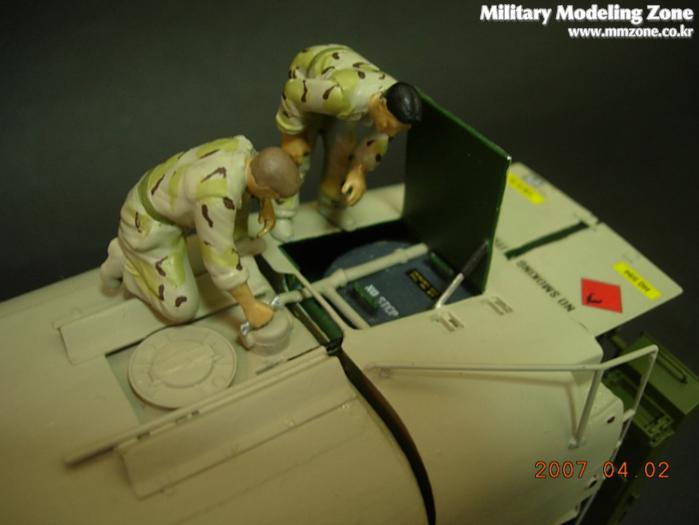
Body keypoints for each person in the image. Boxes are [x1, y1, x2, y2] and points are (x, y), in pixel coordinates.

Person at [100, 136, 300, 329]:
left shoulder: (243, 147)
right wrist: (251, 306)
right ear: (267, 190)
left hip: (162, 193)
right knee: (181, 308)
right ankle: (126, 263)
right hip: (148, 225)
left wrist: (266, 204)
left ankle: (238, 241)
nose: (275, 200)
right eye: (275, 196)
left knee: (241, 195)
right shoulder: (217, 199)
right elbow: (219, 261)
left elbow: (258, 177)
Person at [272, 44, 422, 240]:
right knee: (298, 155)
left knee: (343, 152)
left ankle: (331, 204)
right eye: (388, 125)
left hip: (343, 101)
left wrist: (359, 170)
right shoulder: (342, 96)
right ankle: (281, 212)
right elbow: (292, 91)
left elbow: (378, 140)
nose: (389, 132)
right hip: (310, 80)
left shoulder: (394, 109)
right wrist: (291, 135)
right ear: (382, 104)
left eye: (397, 130)